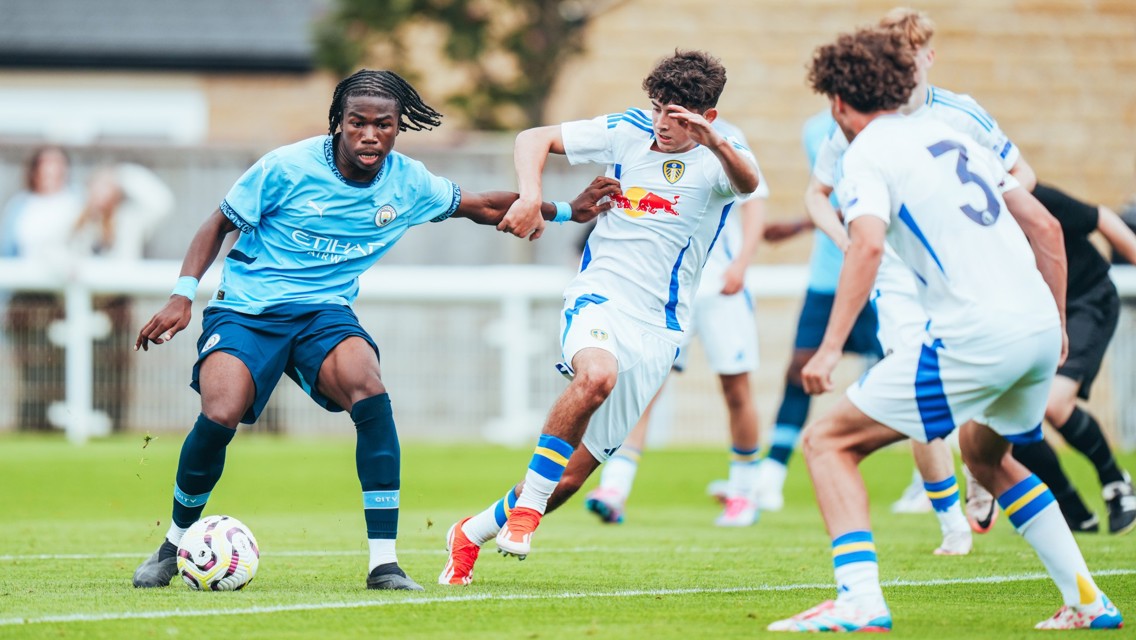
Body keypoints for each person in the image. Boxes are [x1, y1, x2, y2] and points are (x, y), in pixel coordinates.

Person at [129, 69, 620, 591]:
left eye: (382, 125)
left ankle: (383, 563)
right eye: (357, 123)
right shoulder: (286, 167)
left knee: (370, 391)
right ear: (338, 124)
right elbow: (217, 223)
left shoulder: (407, 182)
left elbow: (481, 206)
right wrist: (183, 294)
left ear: (397, 128)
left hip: (324, 314)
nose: (369, 135)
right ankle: (175, 542)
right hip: (249, 309)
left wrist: (566, 210)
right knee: (221, 411)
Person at [768, 28, 1122, 632]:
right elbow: (1047, 227)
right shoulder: (951, 135)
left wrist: (830, 349)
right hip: (1035, 327)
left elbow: (867, 246)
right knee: (986, 458)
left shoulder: (864, 154)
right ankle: (1089, 600)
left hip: (973, 334)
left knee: (827, 442)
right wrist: (1056, 323)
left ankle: (859, 600)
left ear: (837, 104)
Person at [439, 50, 760, 586]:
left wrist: (716, 143)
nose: (662, 122)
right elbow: (531, 138)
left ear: (706, 117)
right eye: (658, 108)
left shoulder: (721, 157)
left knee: (565, 481)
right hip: (599, 296)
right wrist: (534, 193)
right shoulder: (627, 130)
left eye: (677, 115)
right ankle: (525, 516)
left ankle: (470, 532)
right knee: (596, 375)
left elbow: (748, 185)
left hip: (660, 329)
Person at [582, 117, 769, 527]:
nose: (667, 117)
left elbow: (753, 202)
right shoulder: (644, 136)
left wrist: (741, 263)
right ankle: (615, 487)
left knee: (735, 387)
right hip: (663, 294)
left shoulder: (730, 141)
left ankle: (743, 492)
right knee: (644, 385)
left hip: (721, 287)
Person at [744, 110, 884, 515]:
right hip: (827, 276)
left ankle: (928, 481)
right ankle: (770, 478)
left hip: (882, 277)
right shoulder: (815, 131)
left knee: (905, 371)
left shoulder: (892, 127)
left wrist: (796, 225)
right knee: (799, 371)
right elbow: (831, 197)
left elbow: (872, 206)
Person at [1013, 183, 1136, 535]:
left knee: (1054, 404)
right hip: (1032, 316)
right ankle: (1074, 512)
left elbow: (1104, 219)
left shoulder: (1028, 197)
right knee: (1006, 420)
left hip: (1086, 299)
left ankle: (1116, 485)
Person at [70, 163, 175, 432]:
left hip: (116, 307)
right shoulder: (77, 221)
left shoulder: (130, 219)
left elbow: (161, 202)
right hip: (79, 307)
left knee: (114, 373)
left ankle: (113, 426)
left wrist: (123, 174)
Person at [0, 146, 82, 431]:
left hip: (60, 301)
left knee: (58, 367)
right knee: (31, 368)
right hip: (25, 299)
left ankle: (59, 425)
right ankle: (30, 424)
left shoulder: (75, 203)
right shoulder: (20, 205)